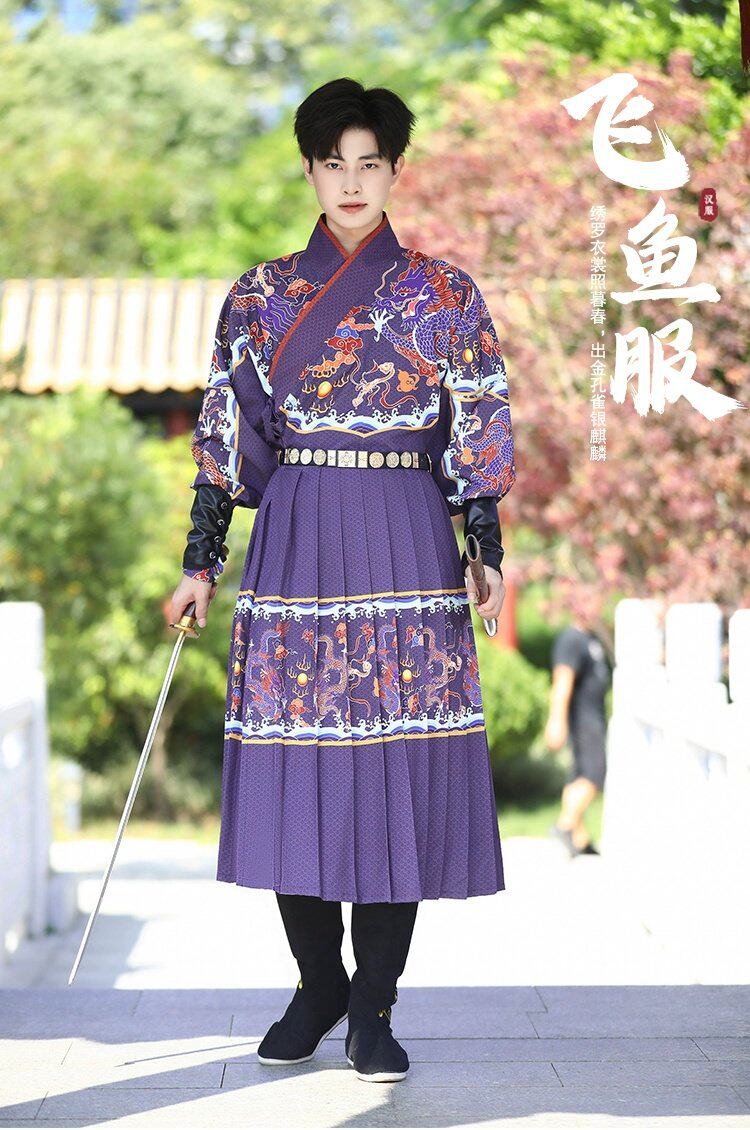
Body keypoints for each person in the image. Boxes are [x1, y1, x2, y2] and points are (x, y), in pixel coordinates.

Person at [170, 77, 517, 1083]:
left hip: (408, 533)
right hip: (297, 539)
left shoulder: (447, 295)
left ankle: (374, 1003)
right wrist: (200, 562)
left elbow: (478, 422)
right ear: (310, 171)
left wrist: (484, 547)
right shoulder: (259, 294)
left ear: (396, 172)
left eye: (371, 164)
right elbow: (226, 434)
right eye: (335, 164)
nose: (353, 182)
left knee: (395, 768)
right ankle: (318, 981)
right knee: (301, 762)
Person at [545, 599, 611, 858]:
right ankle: (565, 825)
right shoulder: (571, 640)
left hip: (594, 717)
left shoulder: (590, 638)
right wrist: (556, 721)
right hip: (583, 719)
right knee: (594, 774)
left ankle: (579, 838)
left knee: (579, 774)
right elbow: (562, 683)